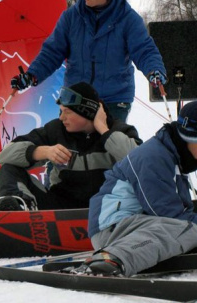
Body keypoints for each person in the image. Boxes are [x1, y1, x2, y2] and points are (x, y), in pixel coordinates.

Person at [10, 0, 167, 122]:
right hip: (75, 98)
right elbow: (52, 52)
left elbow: (144, 50)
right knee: (69, 146)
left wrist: (154, 70)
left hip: (114, 100)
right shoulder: (71, 17)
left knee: (111, 144)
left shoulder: (128, 19)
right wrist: (32, 75)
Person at [71, 101, 197, 277]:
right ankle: (110, 259)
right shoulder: (154, 157)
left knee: (189, 228)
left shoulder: (175, 157)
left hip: (138, 226)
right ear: (189, 138)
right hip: (114, 228)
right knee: (188, 228)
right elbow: (168, 214)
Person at [0, 82, 141, 212]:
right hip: (62, 209)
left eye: (67, 112)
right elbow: (5, 156)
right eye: (61, 110)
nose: (61, 117)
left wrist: (104, 130)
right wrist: (43, 151)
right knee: (9, 169)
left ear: (87, 113)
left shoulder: (121, 131)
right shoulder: (55, 130)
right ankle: (18, 212)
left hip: (109, 208)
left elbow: (141, 165)